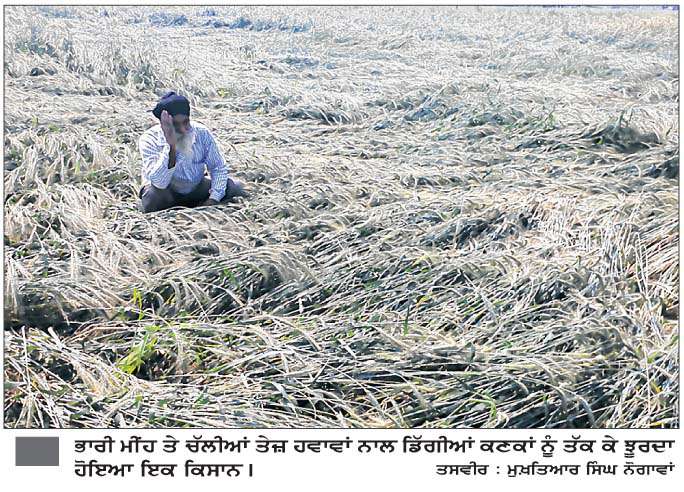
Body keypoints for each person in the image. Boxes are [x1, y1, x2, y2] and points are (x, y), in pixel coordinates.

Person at [138, 91, 246, 213]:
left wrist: (213, 199)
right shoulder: (149, 139)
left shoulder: (201, 133)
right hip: (166, 192)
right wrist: (171, 146)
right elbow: (159, 183)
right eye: (176, 125)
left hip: (195, 187)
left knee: (234, 186)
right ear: (164, 124)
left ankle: (196, 206)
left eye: (185, 122)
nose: (183, 130)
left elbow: (217, 167)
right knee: (151, 197)